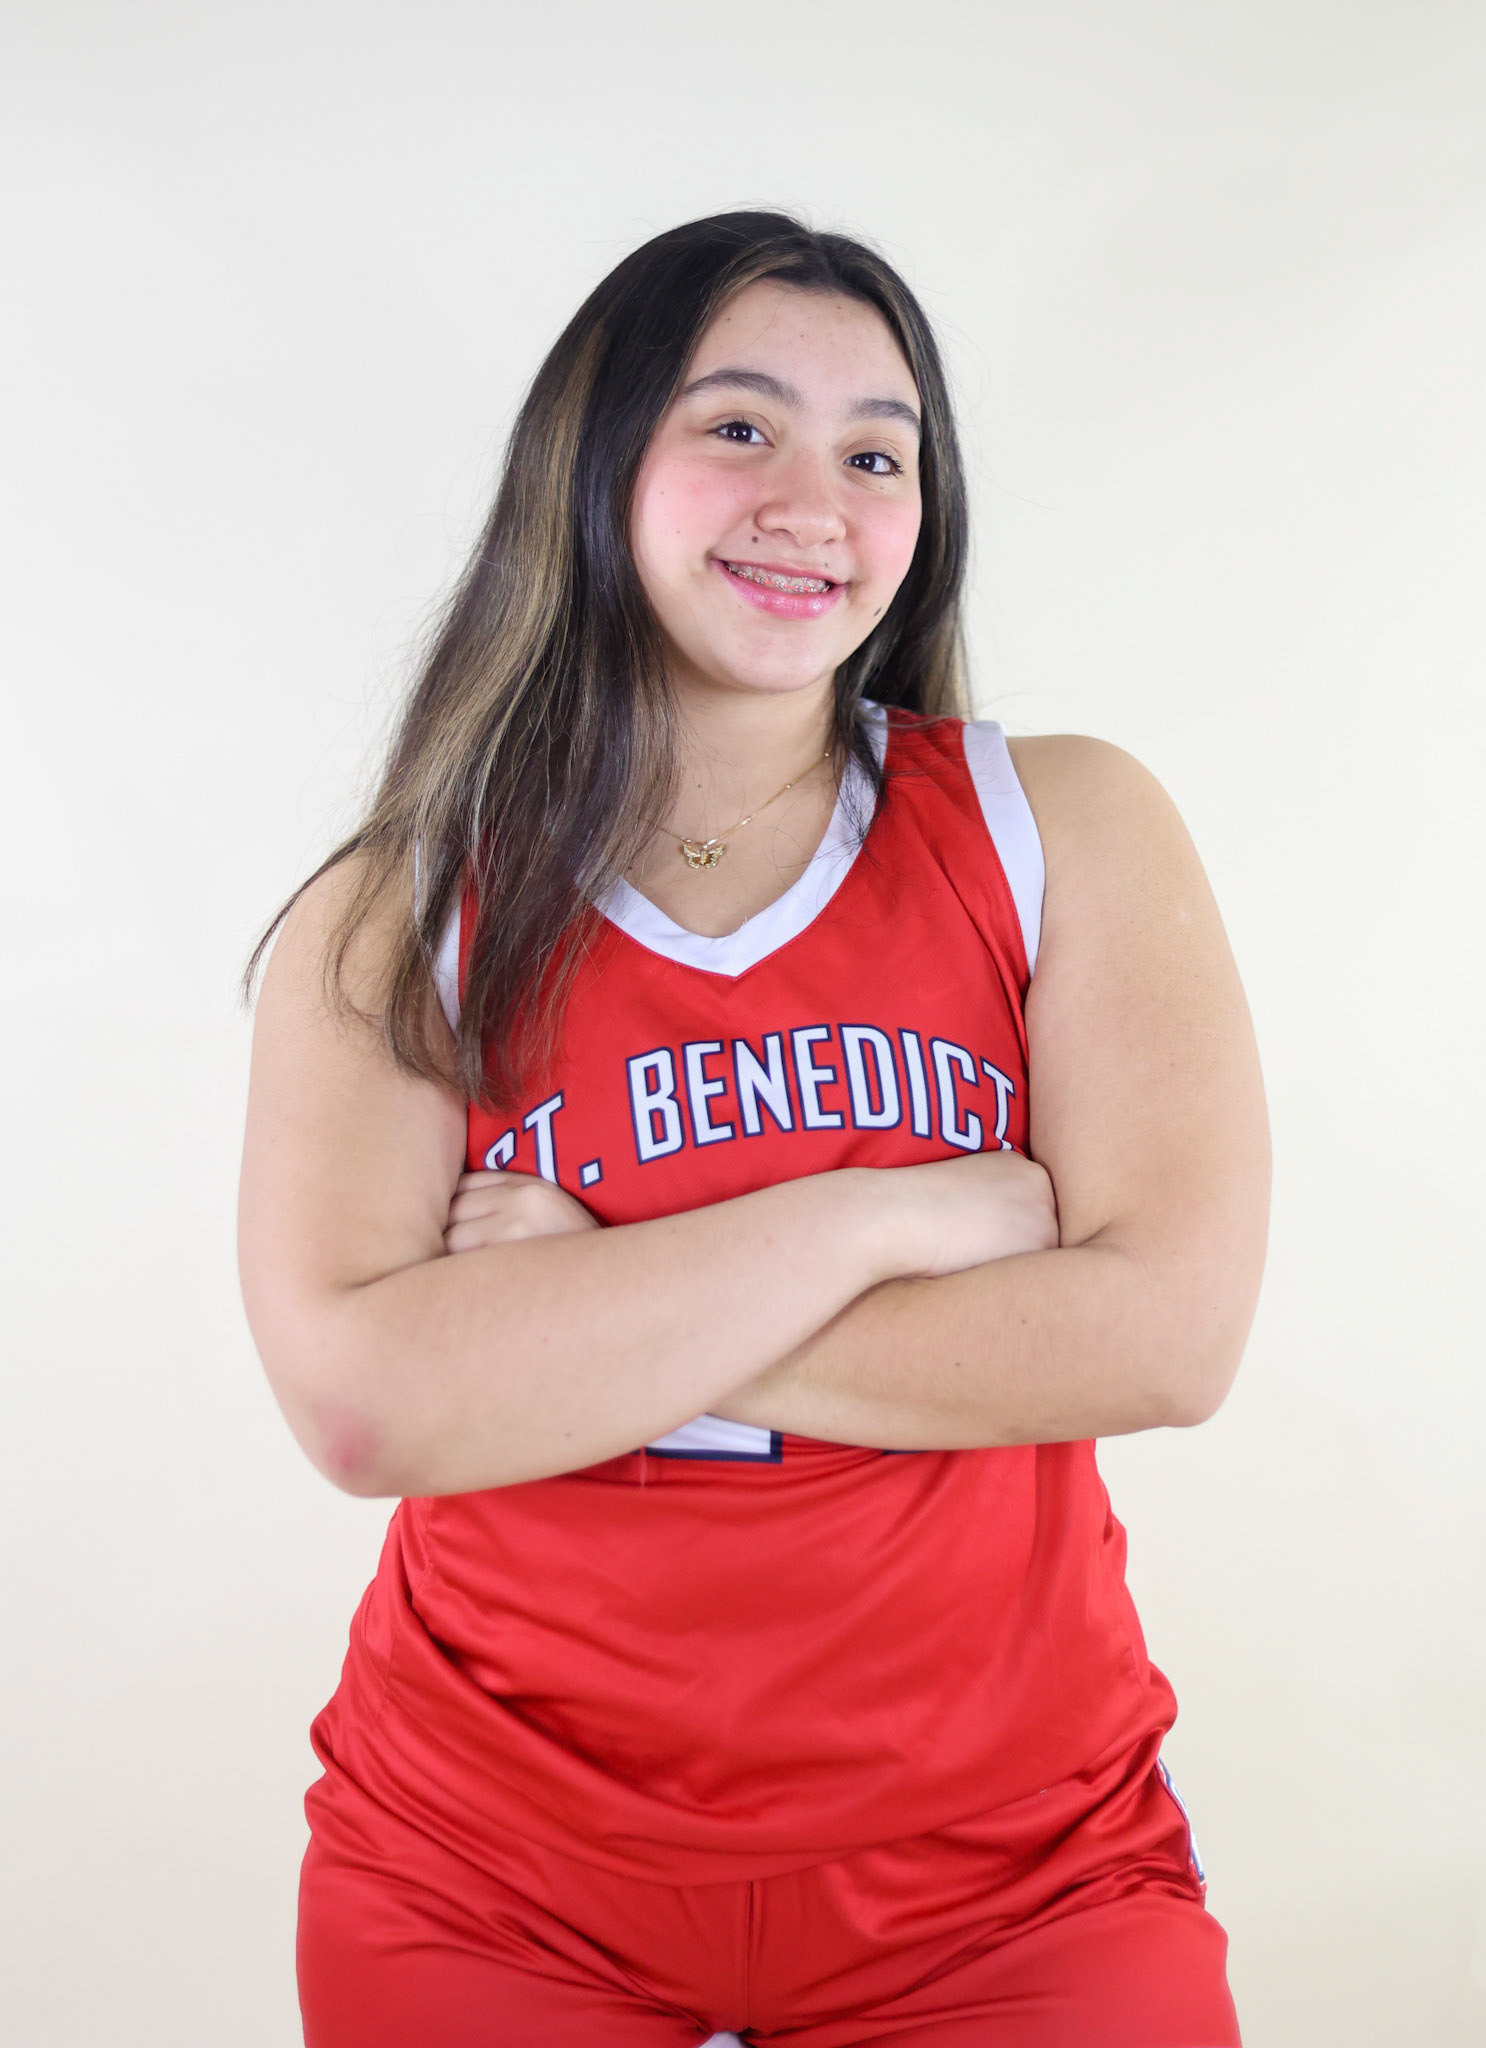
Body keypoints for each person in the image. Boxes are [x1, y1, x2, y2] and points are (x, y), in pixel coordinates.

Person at [238, 211, 1270, 2048]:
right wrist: (885, 1219)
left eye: (877, 453)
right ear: (594, 463)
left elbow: (1162, 1338)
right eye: (738, 427)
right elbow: (375, 1401)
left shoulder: (1065, 831)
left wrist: (590, 1315)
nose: (815, 498)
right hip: (490, 1873)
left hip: (1012, 1871)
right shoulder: (403, 911)